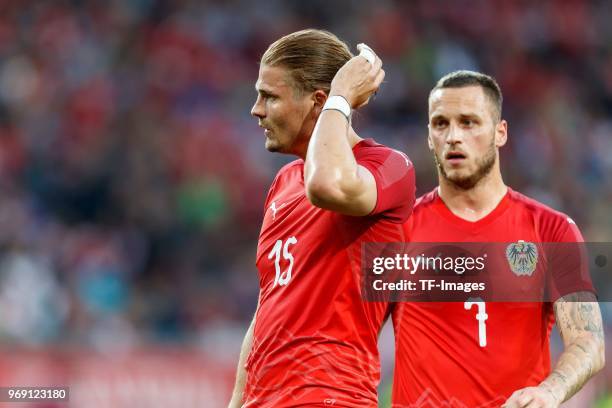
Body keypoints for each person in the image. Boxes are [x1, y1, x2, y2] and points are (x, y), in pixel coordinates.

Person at [391, 70, 605, 407]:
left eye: (469, 122)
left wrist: (550, 391)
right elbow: (352, 340)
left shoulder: (552, 231)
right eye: (440, 124)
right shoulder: (398, 234)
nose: (453, 137)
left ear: (500, 132)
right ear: (429, 137)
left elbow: (588, 341)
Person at [228, 29, 416, 407]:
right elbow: (269, 304)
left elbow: (329, 186)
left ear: (318, 100)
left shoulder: (388, 168)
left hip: (330, 395)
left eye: (269, 96)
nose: (256, 109)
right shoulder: (284, 181)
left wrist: (342, 96)